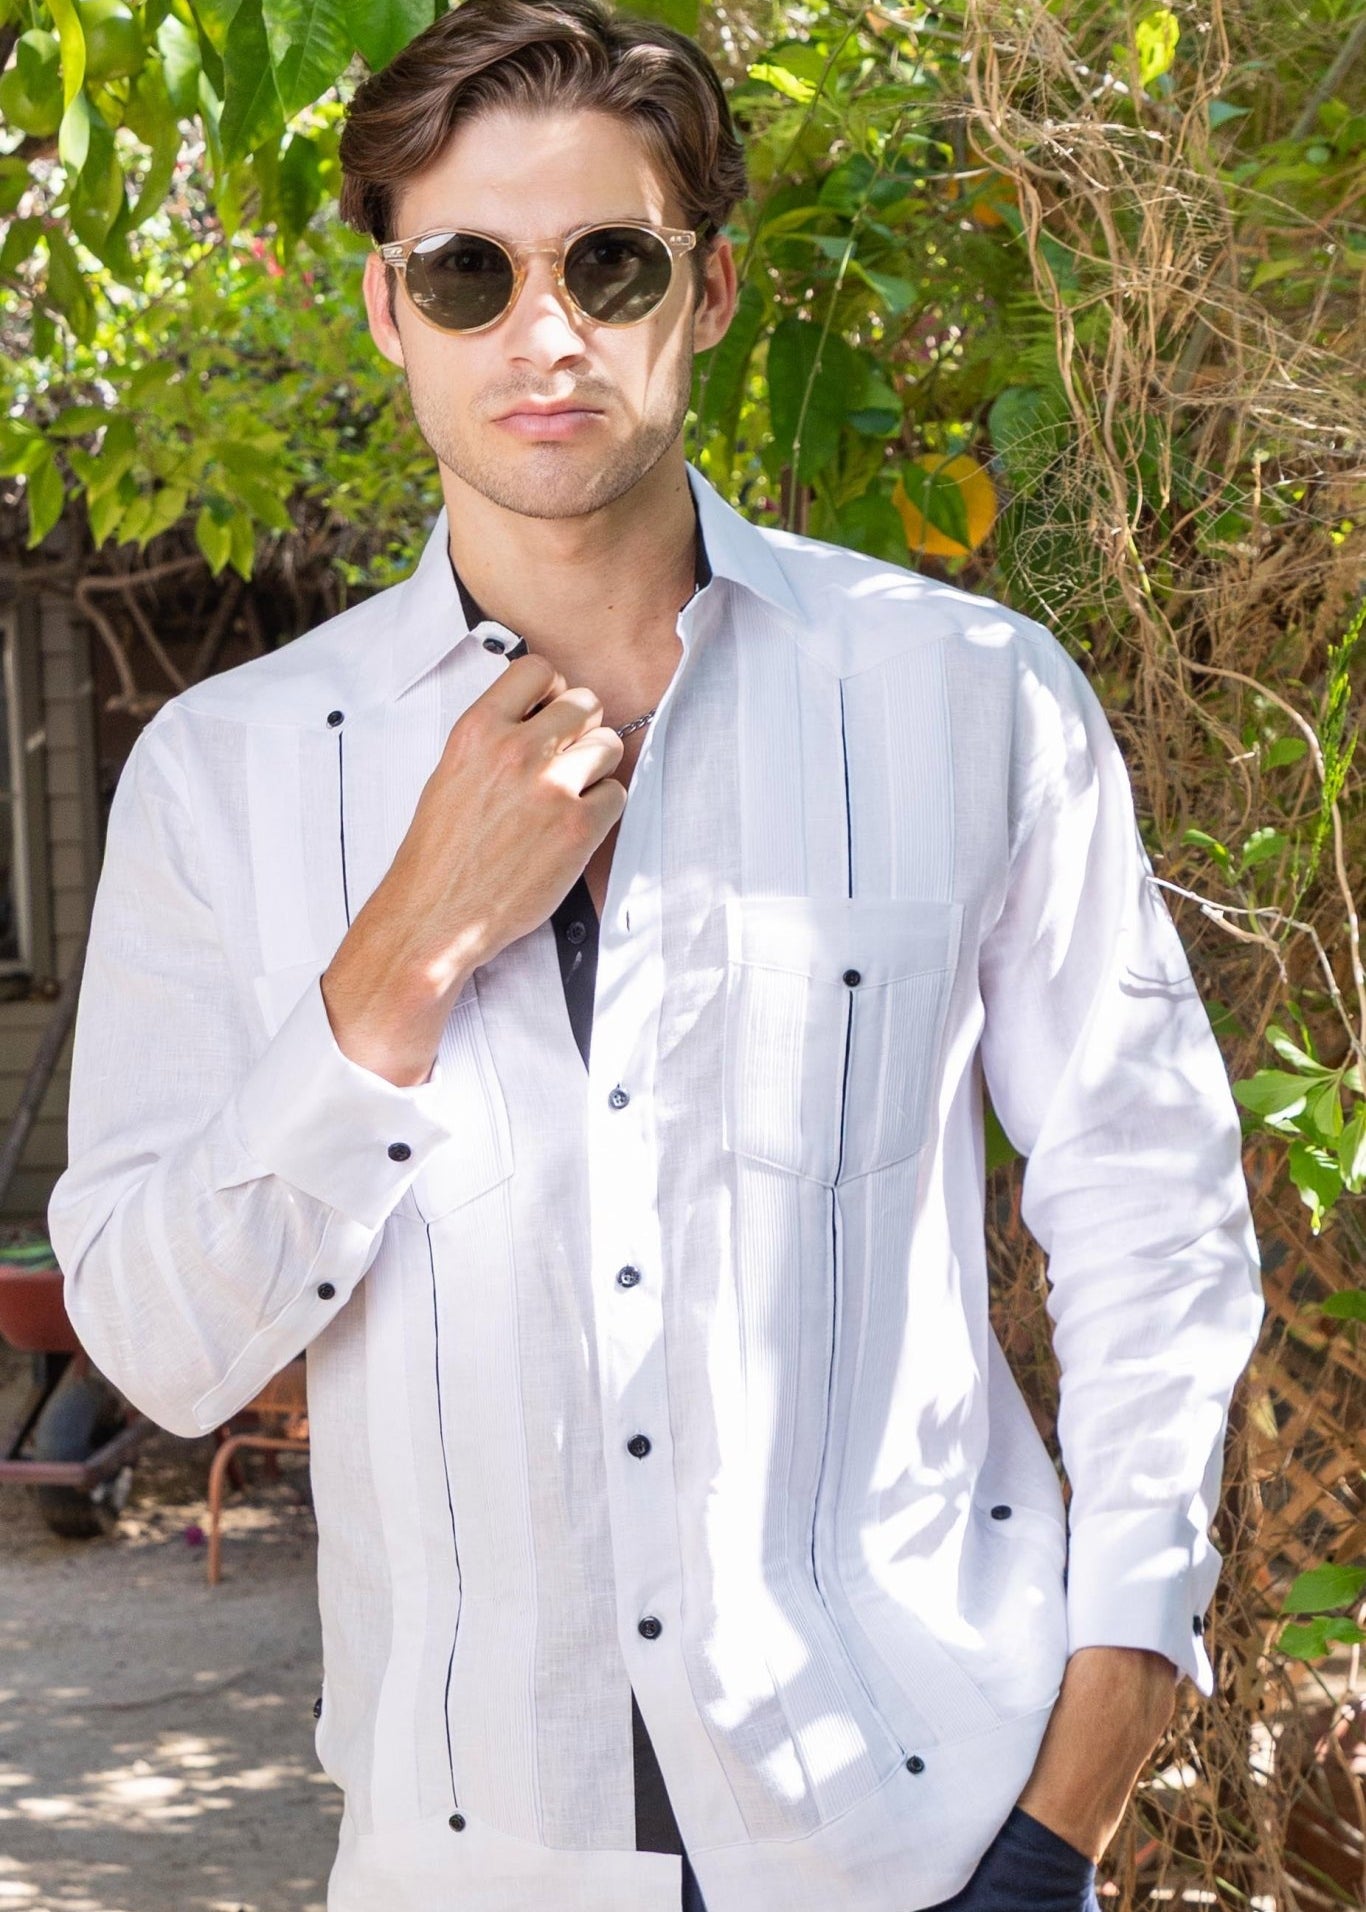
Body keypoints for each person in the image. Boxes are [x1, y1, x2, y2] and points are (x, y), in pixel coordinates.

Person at [47, 2, 1265, 1908]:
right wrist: (403, 954)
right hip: (471, 1857)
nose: (541, 333)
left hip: (922, 1830)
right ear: (388, 311)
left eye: (602, 262)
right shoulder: (230, 776)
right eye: (467, 271)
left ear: (700, 294)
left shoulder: (965, 699)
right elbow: (158, 1347)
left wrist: (1080, 1783)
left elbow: (1154, 1217)